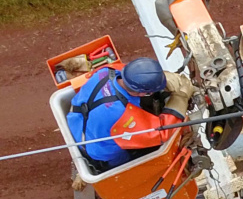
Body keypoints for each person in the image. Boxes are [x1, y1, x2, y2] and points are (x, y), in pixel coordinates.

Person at [66, 58, 195, 170]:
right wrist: (180, 98)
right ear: (142, 93)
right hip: (96, 148)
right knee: (128, 162)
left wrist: (163, 79)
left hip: (76, 122)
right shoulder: (120, 113)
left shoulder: (105, 71)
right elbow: (162, 132)